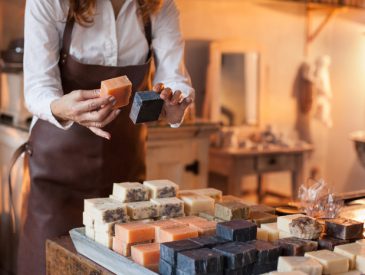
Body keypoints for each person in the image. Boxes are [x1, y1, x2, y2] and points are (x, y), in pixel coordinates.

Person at [18, 0, 193, 274]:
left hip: (124, 178)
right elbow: (38, 88)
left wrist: (174, 102)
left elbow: (175, 77)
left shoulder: (160, 5)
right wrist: (65, 108)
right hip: (57, 180)